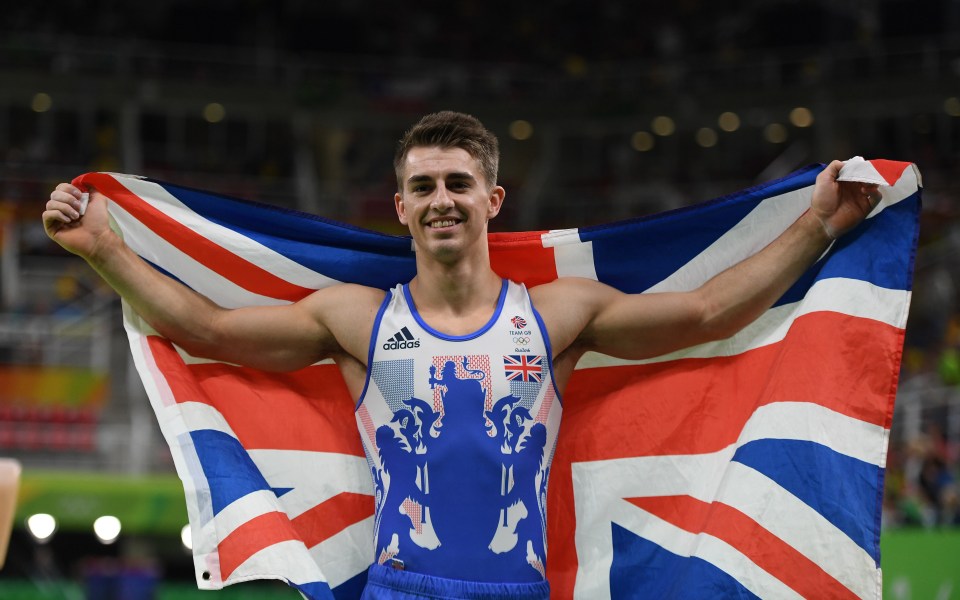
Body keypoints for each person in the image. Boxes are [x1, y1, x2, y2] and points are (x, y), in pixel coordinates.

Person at [43, 111, 880, 600]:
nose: (441, 200)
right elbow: (211, 332)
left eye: (456, 183)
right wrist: (104, 251)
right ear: (401, 208)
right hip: (402, 587)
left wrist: (817, 227)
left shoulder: (555, 316)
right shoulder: (355, 319)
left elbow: (705, 312)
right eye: (424, 187)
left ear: (492, 198)